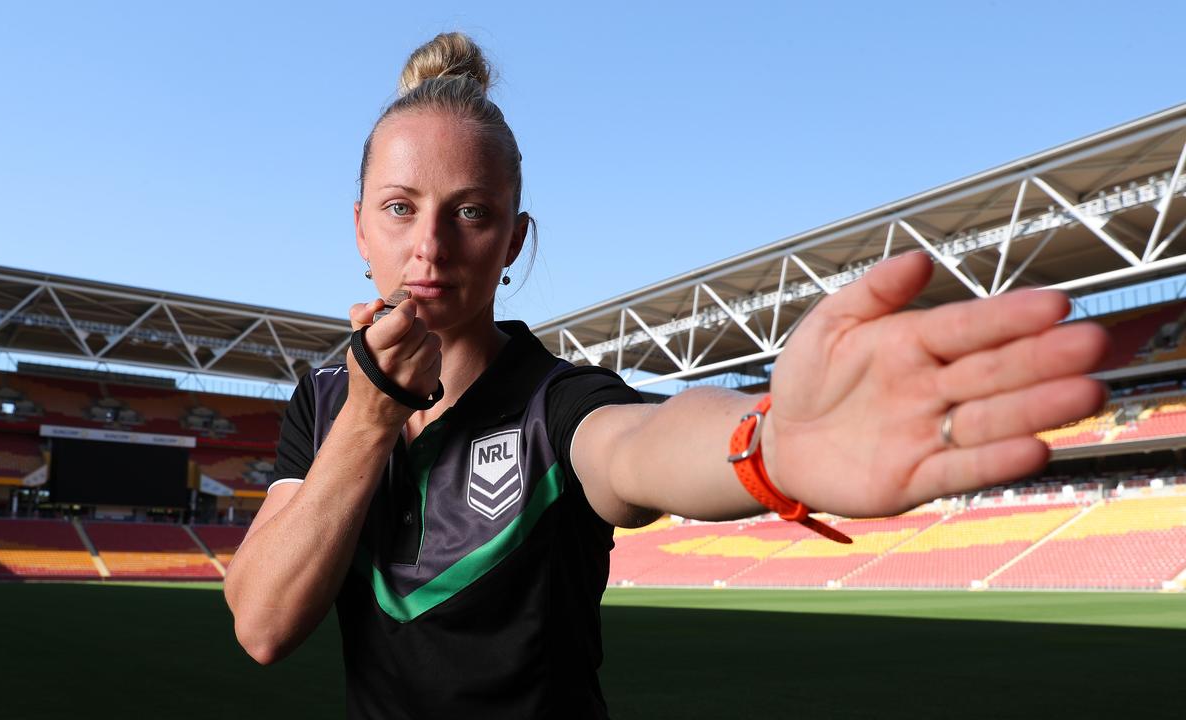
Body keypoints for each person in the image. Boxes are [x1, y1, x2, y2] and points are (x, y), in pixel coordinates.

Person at [223, 32, 1110, 719]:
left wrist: (766, 447)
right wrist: (371, 421)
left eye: (473, 213)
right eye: (400, 208)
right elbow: (262, 623)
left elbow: (640, 447)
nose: (430, 245)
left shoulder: (557, 403)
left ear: (513, 243)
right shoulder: (326, 401)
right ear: (358, 229)